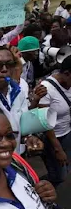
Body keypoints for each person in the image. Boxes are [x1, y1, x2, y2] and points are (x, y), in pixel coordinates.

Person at [39, 55, 71, 188]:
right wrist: (57, 149)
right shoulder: (46, 89)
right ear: (67, 73)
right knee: (58, 175)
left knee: (65, 168)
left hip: (67, 133)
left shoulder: (68, 83)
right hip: (52, 139)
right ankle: (37, 189)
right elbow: (44, 120)